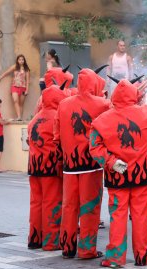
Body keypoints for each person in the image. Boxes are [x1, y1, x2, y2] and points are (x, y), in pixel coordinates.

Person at [89, 77, 147, 268]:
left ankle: (115, 258)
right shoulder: (146, 112)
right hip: (142, 175)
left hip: (118, 174)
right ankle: (142, 255)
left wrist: (111, 161)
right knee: (141, 216)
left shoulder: (101, 120)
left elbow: (94, 147)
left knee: (117, 215)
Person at [54, 68, 111, 259]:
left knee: (69, 207)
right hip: (91, 165)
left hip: (70, 166)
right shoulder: (102, 104)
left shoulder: (63, 104)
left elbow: (56, 136)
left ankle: (67, 247)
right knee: (90, 207)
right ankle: (87, 250)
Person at [27, 84, 67, 250]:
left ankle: (34, 239)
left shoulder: (34, 119)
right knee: (51, 203)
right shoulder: (57, 117)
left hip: (34, 167)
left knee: (36, 203)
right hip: (50, 168)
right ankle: (50, 242)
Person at [0, 54, 30, 121]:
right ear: (17, 60)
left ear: (24, 60)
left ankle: (20, 118)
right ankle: (19, 116)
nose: (21, 61)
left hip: (23, 87)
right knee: (15, 100)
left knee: (21, 104)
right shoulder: (15, 67)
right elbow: (6, 73)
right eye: (20, 59)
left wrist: (27, 90)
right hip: (14, 86)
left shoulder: (26, 69)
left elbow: (28, 80)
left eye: (22, 59)